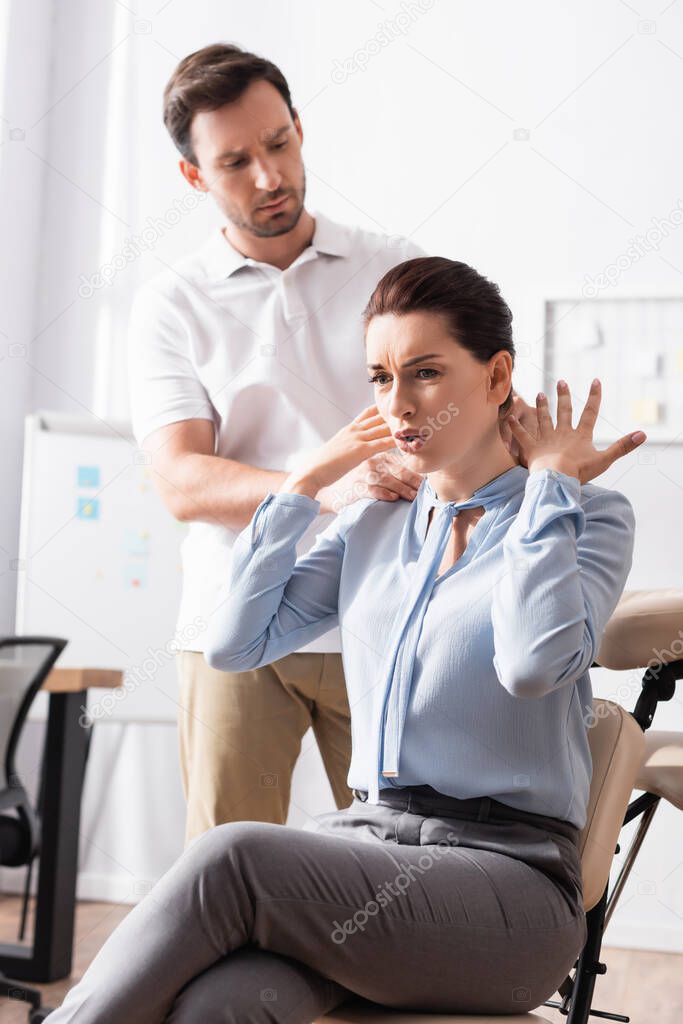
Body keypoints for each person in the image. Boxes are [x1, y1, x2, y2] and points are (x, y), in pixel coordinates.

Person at [50, 256, 645, 1022]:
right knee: (221, 1001)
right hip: (371, 845)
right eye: (379, 378)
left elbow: (531, 664)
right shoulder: (374, 521)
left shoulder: (585, 518)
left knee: (234, 855)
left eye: (424, 373)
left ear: (497, 377)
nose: (398, 405)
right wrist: (303, 485)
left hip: (509, 887)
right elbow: (235, 644)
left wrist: (550, 488)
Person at [128, 41, 431, 842]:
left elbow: (454, 417)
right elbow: (183, 481)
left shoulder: (393, 270)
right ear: (194, 176)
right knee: (226, 869)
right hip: (235, 621)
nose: (268, 177)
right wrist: (321, 488)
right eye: (234, 162)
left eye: (278, 144)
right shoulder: (171, 305)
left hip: (383, 610)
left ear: (298, 127)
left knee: (404, 869)